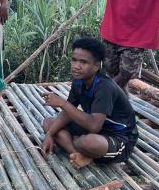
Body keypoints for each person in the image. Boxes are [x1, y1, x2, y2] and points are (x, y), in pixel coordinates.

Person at [41, 37, 138, 168]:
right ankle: (78, 155)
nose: (76, 66)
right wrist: (49, 134)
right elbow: (68, 113)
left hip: (119, 138)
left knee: (87, 142)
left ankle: (81, 149)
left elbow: (93, 126)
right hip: (96, 130)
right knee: (49, 123)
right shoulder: (78, 82)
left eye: (83, 62)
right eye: (74, 60)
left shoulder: (104, 87)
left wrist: (62, 103)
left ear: (96, 66)